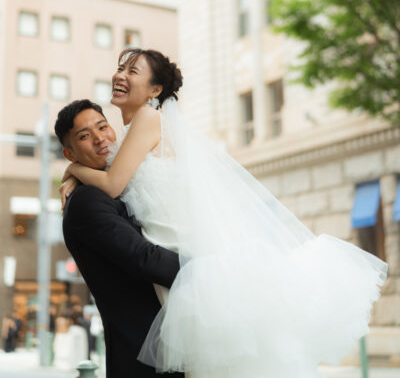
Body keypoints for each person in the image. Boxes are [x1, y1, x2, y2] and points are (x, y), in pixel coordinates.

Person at [60, 49, 389, 378]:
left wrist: (73, 169)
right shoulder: (133, 135)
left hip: (179, 251)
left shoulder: (148, 119)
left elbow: (113, 184)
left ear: (155, 90)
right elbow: (110, 175)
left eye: (133, 71)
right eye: (121, 68)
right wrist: (77, 171)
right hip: (171, 250)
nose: (120, 75)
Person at [55, 99, 184, 378]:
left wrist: (76, 172)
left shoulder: (117, 185)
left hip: (169, 346)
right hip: (143, 355)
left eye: (103, 127)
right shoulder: (87, 201)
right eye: (84, 136)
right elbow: (144, 258)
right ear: (69, 153)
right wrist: (208, 269)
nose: (100, 138)